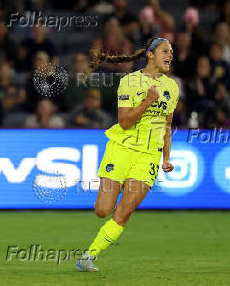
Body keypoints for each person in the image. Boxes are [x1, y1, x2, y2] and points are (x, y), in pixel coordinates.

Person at [76, 37, 179, 271]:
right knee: (103, 210)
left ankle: (88, 257)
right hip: (122, 148)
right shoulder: (130, 81)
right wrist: (148, 101)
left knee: (124, 211)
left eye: (172, 52)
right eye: (165, 51)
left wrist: (166, 158)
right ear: (150, 55)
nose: (170, 55)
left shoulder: (172, 88)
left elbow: (167, 125)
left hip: (148, 157)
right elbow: (124, 122)